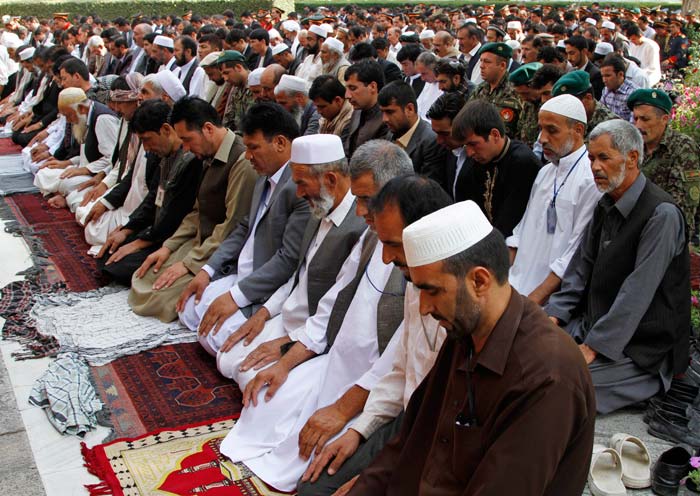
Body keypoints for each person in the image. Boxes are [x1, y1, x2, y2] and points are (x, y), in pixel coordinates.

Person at [348, 199, 595, 495]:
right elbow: (411, 442)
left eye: (432, 291)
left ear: (479, 280)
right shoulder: (464, 334)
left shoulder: (548, 376)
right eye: (418, 289)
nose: (424, 307)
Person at [220, 140, 413, 492]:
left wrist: (343, 409)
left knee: (313, 472)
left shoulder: (418, 257)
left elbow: (398, 361)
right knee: (264, 400)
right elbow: (332, 305)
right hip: (334, 363)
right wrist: (285, 362)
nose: (358, 211)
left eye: (366, 200)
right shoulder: (372, 236)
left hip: (373, 389)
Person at [298, 175, 452, 496]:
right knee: (314, 487)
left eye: (393, 245)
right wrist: (359, 429)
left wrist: (377, 476)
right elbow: (400, 372)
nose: (385, 258)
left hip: (442, 441)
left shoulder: (461, 304)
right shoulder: (415, 280)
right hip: (409, 421)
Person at [545, 119, 690, 414]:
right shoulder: (605, 204)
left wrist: (593, 346)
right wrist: (554, 316)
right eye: (591, 158)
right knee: (529, 357)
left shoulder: (661, 215)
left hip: (641, 348)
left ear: (632, 158)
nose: (595, 167)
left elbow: (637, 293)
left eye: (603, 158)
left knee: (563, 386)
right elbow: (579, 270)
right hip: (593, 325)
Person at [213, 134, 366, 388]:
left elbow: (335, 308)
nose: (298, 193)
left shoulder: (358, 227)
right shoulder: (319, 208)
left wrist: (288, 347)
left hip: (313, 332)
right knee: (226, 358)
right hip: (287, 317)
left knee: (251, 380)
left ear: (330, 180)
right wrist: (262, 314)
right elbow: (298, 277)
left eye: (302, 184)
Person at [177, 102, 311, 352]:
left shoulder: (300, 187)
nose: (247, 156)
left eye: (253, 148)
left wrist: (237, 296)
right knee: (188, 309)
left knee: (216, 339)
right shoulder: (263, 177)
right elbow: (243, 228)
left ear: (280, 143)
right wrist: (208, 269)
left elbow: (288, 259)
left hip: (263, 288)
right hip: (241, 273)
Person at [128, 97, 257, 322]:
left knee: (160, 296)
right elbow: (196, 214)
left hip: (219, 252)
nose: (185, 148)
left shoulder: (241, 162)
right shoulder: (206, 155)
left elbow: (231, 227)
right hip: (199, 243)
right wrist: (168, 248)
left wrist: (189, 264)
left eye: (187, 140)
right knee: (146, 275)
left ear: (208, 129)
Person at [507, 94, 601, 304]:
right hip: (515, 287)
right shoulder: (545, 173)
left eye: (552, 130)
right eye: (541, 129)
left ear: (578, 130)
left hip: (548, 301)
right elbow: (520, 234)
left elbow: (574, 254)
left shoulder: (590, 179)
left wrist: (532, 303)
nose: (542, 138)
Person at [98, 99, 202, 284]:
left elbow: (175, 216)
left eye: (146, 139)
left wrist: (140, 242)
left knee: (120, 265)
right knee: (111, 250)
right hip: (156, 229)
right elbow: (153, 197)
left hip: (173, 236)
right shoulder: (162, 155)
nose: (145, 148)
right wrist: (127, 229)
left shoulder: (190, 160)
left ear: (166, 130)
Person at [451, 99, 540, 238]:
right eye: (465, 146)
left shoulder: (523, 163)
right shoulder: (472, 163)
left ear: (495, 135)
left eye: (473, 144)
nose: (469, 152)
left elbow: (513, 221)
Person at [33, 87, 119, 211]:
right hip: (84, 170)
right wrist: (67, 163)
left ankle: (65, 196)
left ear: (81, 108)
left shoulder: (102, 119)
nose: (68, 120)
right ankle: (64, 196)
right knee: (44, 173)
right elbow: (86, 154)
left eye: (69, 115)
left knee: (68, 185)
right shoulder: (84, 117)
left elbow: (112, 158)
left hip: (99, 176)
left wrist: (85, 169)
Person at [629, 88, 700, 233]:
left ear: (664, 119)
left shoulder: (683, 148)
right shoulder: (635, 146)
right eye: (636, 119)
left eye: (645, 119)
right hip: (634, 227)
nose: (638, 126)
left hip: (666, 230)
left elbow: (683, 207)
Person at [378, 81, 443, 175]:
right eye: (382, 112)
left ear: (410, 109)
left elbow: (427, 186)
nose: (384, 119)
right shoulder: (391, 134)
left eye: (390, 112)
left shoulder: (430, 142)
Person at [468, 42, 521, 138]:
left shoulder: (514, 92)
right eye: (481, 61)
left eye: (487, 62)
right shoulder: (480, 89)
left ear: (502, 65)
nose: (481, 66)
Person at [341, 60, 390, 157]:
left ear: (372, 87)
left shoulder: (387, 119)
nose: (347, 95)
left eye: (353, 88)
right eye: (347, 89)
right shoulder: (357, 111)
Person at [551, 70, 620, 137]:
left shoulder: (611, 126)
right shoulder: (568, 118)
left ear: (588, 98)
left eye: (570, 104)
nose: (566, 109)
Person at [216, 50, 253, 133]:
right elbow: (228, 119)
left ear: (238, 67)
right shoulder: (235, 88)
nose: (225, 78)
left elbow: (251, 123)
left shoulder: (254, 87)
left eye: (227, 73)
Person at [509, 62, 542, 148]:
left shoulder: (547, 106)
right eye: (520, 94)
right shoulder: (528, 105)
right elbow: (519, 131)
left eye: (526, 94)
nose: (523, 98)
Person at [600, 53, 638, 122]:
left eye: (608, 76)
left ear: (620, 74)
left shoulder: (633, 94)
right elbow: (601, 114)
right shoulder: (606, 90)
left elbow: (634, 124)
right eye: (603, 76)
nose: (604, 80)